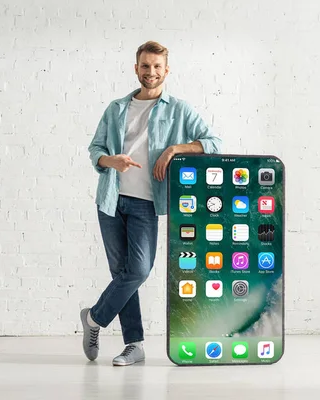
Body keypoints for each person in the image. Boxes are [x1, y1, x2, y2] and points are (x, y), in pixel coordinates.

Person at [82, 41, 222, 366]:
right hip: (111, 201)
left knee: (139, 270)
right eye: (145, 66)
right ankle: (135, 345)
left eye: (157, 67)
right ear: (136, 69)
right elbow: (95, 150)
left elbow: (213, 142)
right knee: (122, 274)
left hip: (146, 203)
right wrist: (109, 160)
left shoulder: (179, 110)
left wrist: (174, 150)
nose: (151, 72)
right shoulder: (117, 108)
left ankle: (94, 319)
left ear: (166, 71)